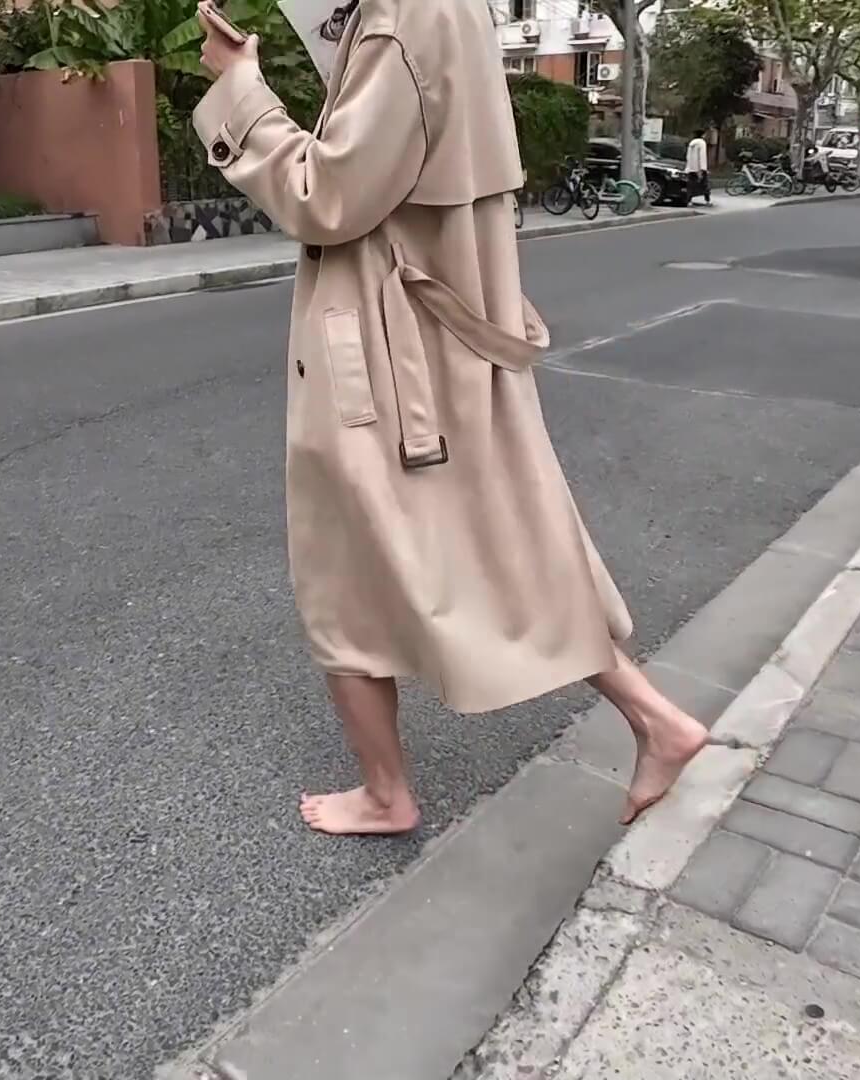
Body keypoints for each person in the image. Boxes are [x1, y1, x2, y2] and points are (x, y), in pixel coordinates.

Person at [193, 0, 709, 835]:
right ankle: (657, 719)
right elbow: (398, 140)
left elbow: (325, 196)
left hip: (387, 347)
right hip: (442, 336)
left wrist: (240, 89)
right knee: (505, 543)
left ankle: (386, 794)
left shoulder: (403, 17)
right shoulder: (445, 10)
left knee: (345, 570)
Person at [685, 129, 713, 206]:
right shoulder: (702, 143)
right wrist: (703, 169)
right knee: (705, 185)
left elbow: (688, 156)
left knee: (691, 185)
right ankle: (707, 201)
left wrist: (689, 167)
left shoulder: (691, 143)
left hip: (691, 168)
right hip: (700, 168)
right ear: (702, 135)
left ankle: (689, 201)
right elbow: (702, 156)